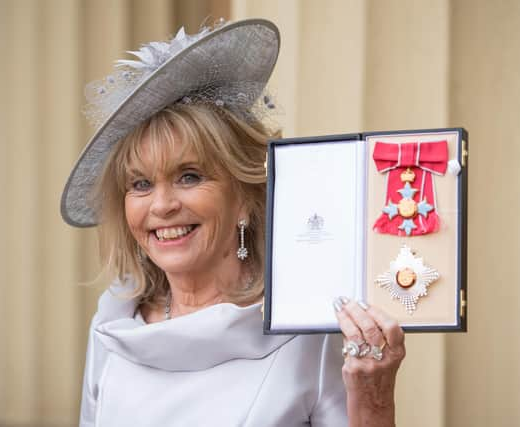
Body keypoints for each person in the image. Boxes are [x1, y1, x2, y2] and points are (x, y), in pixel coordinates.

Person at [61, 19, 405, 427]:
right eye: (140, 184)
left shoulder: (306, 334)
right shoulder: (113, 322)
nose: (162, 205)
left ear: (244, 197)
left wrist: (374, 401)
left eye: (189, 176)